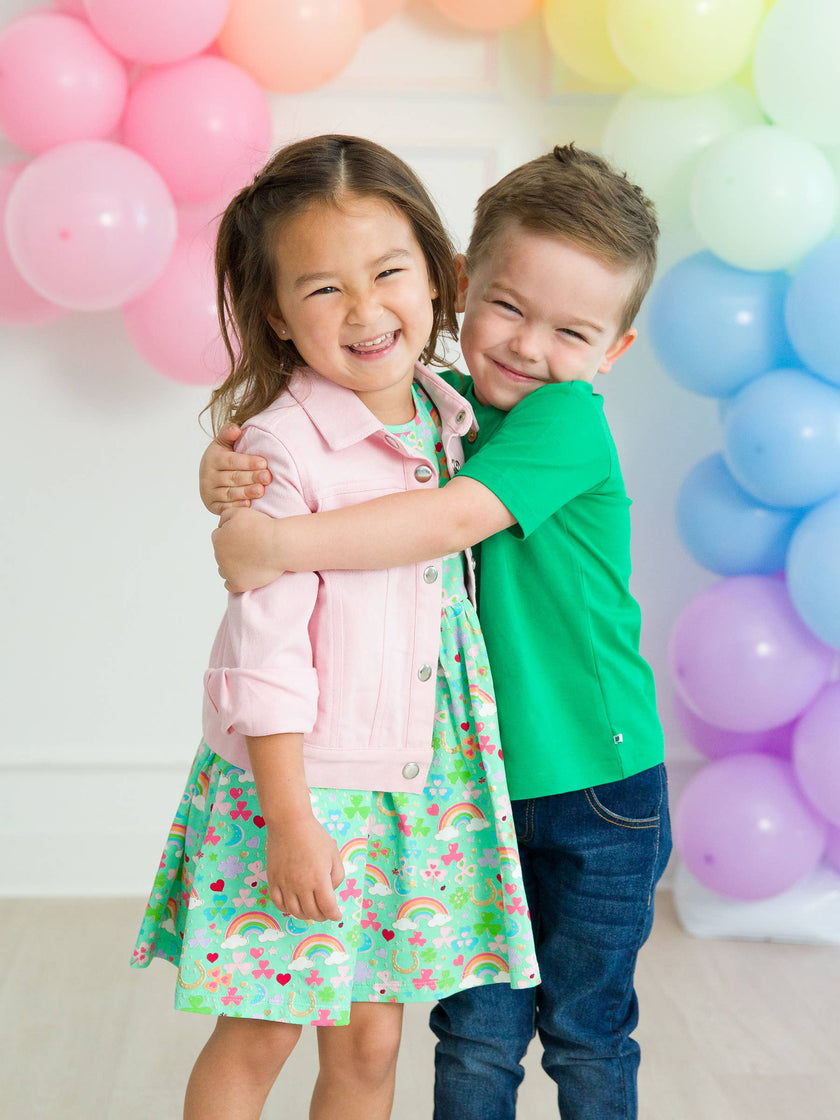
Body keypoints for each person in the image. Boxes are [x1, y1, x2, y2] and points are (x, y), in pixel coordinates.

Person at [201, 143, 672, 1120]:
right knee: (472, 1037)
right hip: (469, 783)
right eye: (507, 307)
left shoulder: (559, 418)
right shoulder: (440, 404)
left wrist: (276, 542)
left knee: (584, 1031)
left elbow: (445, 519)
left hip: (593, 779)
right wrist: (224, 472)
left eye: (573, 330)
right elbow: (308, 438)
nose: (528, 347)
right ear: (462, 283)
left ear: (613, 351)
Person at [131, 134, 539, 1120]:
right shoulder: (280, 445)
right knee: (264, 1024)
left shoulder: (453, 421)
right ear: (274, 310)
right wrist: (291, 820)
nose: (364, 311)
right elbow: (264, 656)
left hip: (409, 786)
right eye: (322, 290)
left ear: (439, 276)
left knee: (370, 1038)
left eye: (388, 272)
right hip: (304, 788)